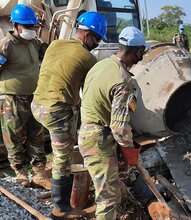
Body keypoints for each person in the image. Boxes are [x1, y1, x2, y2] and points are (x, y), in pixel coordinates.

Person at [31, 11, 107, 219]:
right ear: (87, 35)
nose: (97, 44)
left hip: (37, 104)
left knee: (61, 140)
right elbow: (92, 93)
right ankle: (61, 208)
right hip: (55, 111)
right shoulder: (87, 58)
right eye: (97, 39)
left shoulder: (55, 44)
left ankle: (41, 174)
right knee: (62, 159)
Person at [78, 26, 149, 219]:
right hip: (99, 140)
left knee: (114, 188)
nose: (141, 58)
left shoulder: (101, 65)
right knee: (108, 198)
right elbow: (119, 127)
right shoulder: (122, 80)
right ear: (138, 51)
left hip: (89, 131)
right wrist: (129, 150)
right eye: (142, 53)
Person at [0, 4, 50, 189]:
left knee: (37, 134)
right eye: (27, 26)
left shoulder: (34, 43)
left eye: (33, 27)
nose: (30, 30)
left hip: (33, 97)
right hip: (12, 100)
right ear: (16, 25)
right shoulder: (6, 46)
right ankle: (21, 173)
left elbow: (50, 53)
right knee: (14, 137)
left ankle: (39, 173)